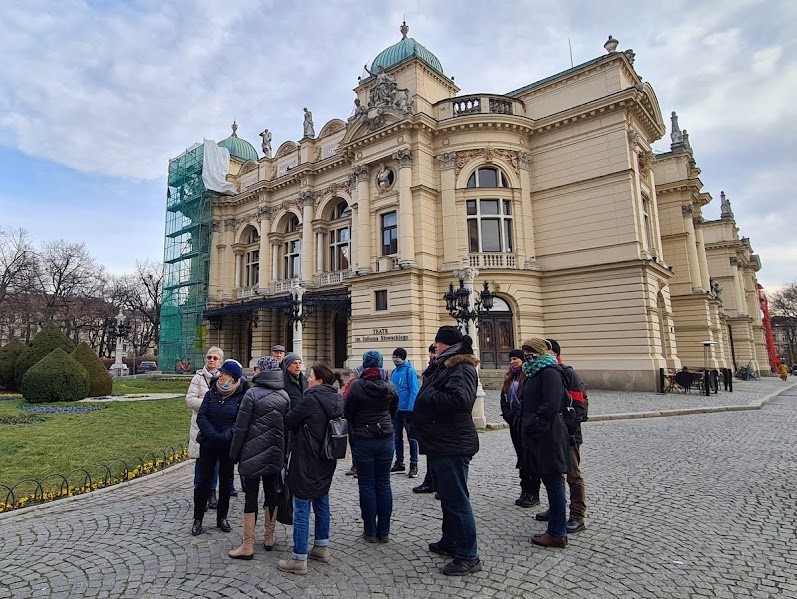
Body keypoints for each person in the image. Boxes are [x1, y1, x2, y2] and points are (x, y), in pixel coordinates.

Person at [412, 326, 482, 576]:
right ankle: (450, 541)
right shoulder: (446, 366)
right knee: (448, 498)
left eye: (436, 344)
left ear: (446, 345)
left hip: (453, 443)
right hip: (443, 442)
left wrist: (428, 393)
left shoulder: (461, 368)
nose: (434, 348)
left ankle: (468, 555)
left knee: (457, 500)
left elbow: (460, 401)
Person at [278, 364, 345, 575]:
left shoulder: (310, 399)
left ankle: (299, 558)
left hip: (306, 458)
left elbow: (288, 421)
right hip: (327, 458)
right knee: (322, 501)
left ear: (319, 381)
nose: (307, 380)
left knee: (301, 506)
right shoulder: (337, 399)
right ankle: (321, 547)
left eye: (311, 377)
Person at [228, 356, 290, 559]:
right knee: (272, 492)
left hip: (252, 452)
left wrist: (234, 453)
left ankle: (247, 545)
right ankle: (269, 537)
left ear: (262, 371)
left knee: (251, 496)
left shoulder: (251, 394)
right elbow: (287, 430)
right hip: (275, 453)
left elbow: (241, 427)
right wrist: (284, 454)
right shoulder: (284, 395)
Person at [519, 337, 571, 548]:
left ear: (538, 352)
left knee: (554, 480)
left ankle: (558, 532)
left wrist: (533, 425)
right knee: (550, 480)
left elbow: (551, 404)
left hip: (548, 434)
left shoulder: (549, 372)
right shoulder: (535, 372)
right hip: (541, 434)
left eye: (528, 351)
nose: (525, 355)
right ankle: (556, 527)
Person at [534, 339, 588, 534]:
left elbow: (579, 406)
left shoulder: (567, 373)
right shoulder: (543, 373)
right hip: (551, 433)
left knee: (573, 474)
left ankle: (577, 516)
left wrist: (566, 430)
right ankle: (557, 509)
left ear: (553, 353)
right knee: (554, 472)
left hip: (568, 434)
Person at [346, 351, 398, 542]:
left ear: (365, 364)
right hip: (385, 438)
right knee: (384, 483)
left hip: (363, 439)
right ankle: (383, 532)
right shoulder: (389, 384)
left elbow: (348, 411)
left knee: (366, 484)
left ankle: (369, 531)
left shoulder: (358, 385)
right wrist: (384, 423)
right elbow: (394, 409)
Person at [192, 359, 246, 536]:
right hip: (209, 443)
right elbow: (202, 416)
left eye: (223, 373)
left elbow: (240, 421)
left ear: (232, 377)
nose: (219, 375)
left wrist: (224, 436)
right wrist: (213, 435)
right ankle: (197, 518)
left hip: (227, 445)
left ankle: (222, 517)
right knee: (203, 482)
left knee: (226, 481)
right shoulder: (211, 392)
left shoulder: (241, 396)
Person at [501, 348, 540, 508]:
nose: (512, 362)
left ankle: (533, 493)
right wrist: (508, 415)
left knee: (530, 458)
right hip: (514, 423)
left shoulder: (529, 377)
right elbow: (503, 398)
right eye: (511, 360)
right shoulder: (509, 378)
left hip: (525, 423)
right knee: (521, 458)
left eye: (515, 359)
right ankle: (524, 490)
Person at [186, 346, 224, 509]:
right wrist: (210, 405)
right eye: (209, 357)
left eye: (215, 358)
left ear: (220, 361)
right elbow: (190, 400)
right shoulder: (198, 378)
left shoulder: (224, 377)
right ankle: (198, 490)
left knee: (215, 460)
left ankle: (212, 492)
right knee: (201, 460)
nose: (211, 360)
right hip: (201, 425)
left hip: (217, 426)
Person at [412, 343, 438, 494]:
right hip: (428, 417)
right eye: (430, 353)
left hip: (436, 418)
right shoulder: (432, 368)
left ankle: (437, 484)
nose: (430, 355)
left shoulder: (440, 369)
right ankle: (430, 481)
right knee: (431, 452)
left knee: (438, 454)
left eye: (433, 352)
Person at [390, 347, 420, 477]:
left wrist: (411, 409)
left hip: (407, 410)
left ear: (403, 357)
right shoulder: (394, 371)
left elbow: (414, 390)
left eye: (397, 356)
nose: (395, 359)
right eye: (394, 356)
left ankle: (414, 464)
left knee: (412, 438)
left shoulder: (410, 371)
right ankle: (399, 462)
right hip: (396, 410)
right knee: (397, 437)